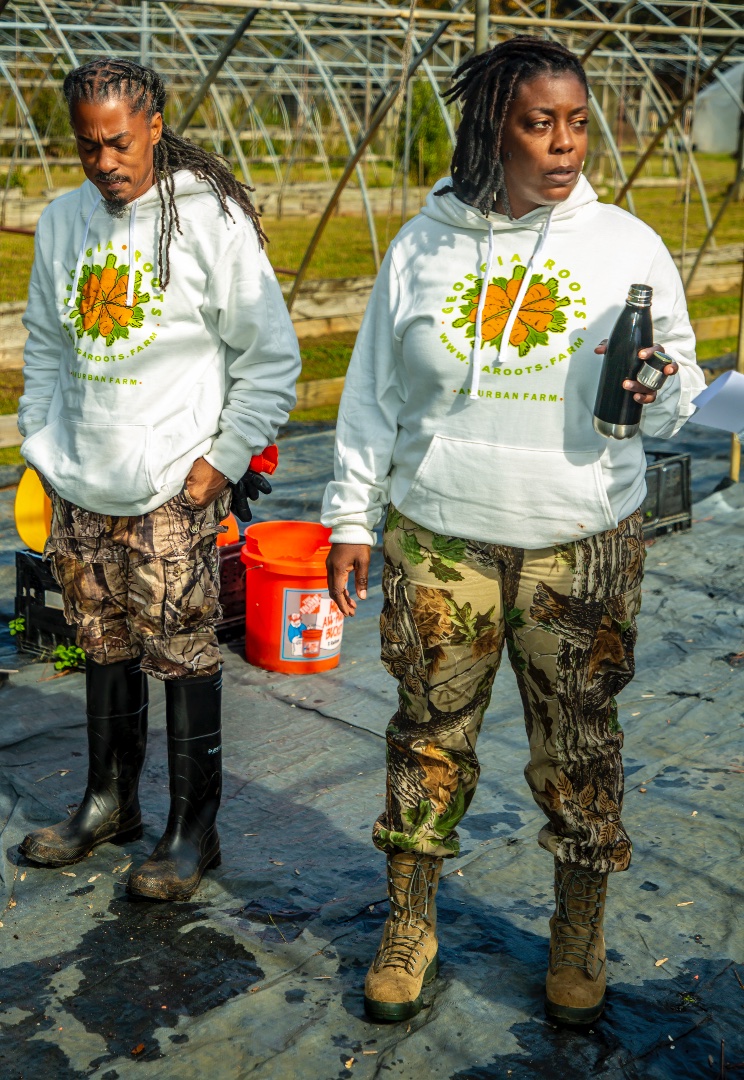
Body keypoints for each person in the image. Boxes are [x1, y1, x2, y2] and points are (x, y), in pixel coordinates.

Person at [323, 36, 704, 1026]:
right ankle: (411, 920)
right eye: (541, 123)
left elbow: (675, 400)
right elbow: (370, 395)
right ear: (496, 128)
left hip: (579, 540)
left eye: (579, 123)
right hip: (441, 535)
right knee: (428, 739)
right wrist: (349, 515)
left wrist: (662, 389)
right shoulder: (426, 244)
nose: (566, 144)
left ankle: (578, 924)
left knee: (580, 746)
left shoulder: (626, 247)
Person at [17, 57, 301, 901]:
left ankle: (192, 831)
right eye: (87, 146)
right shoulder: (63, 222)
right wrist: (43, 442)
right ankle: (109, 803)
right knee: (100, 646)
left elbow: (271, 357)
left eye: (119, 143)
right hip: (81, 482)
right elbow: (42, 343)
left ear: (153, 127)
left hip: (172, 490)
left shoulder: (206, 220)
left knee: (181, 657)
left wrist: (221, 461)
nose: (105, 162)